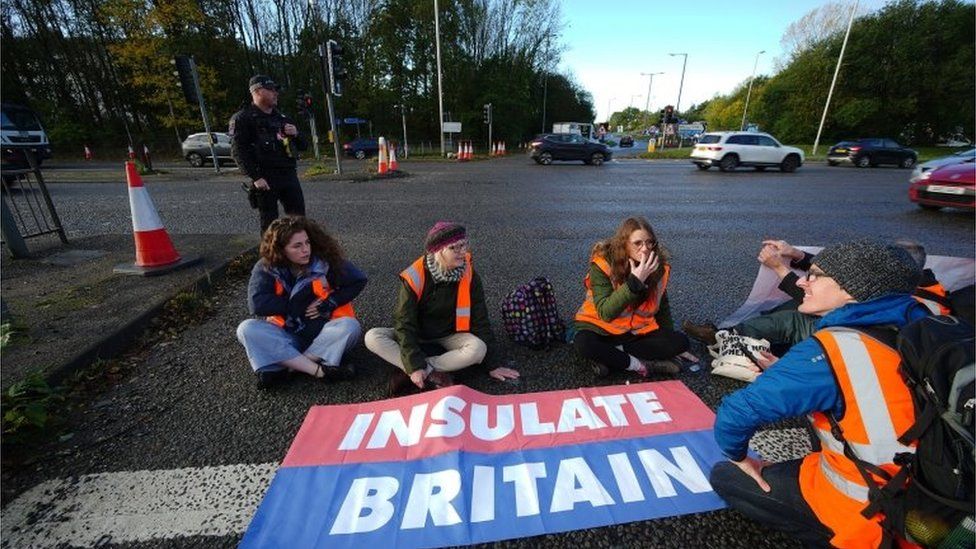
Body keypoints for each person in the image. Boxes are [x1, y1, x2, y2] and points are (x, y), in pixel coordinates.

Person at [709, 239, 928, 548]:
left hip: (873, 509)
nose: (802, 281)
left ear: (852, 290)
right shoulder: (932, 324)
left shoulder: (832, 350)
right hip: (937, 495)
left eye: (814, 274)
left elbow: (735, 415)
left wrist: (739, 457)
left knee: (725, 475)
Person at [364, 222, 519, 396]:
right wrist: (414, 364)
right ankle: (424, 369)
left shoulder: (470, 275)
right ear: (438, 251)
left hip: (450, 334)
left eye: (464, 244)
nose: (463, 252)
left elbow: (480, 320)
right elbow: (404, 322)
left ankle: (419, 369)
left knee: (478, 349)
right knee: (372, 337)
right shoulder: (414, 276)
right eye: (455, 247)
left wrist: (493, 364)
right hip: (418, 334)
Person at [236, 217, 366, 388]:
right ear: (281, 250)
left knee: (350, 327)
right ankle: (318, 371)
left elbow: (359, 280)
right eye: (297, 246)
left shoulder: (325, 262)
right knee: (246, 329)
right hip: (287, 335)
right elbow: (257, 304)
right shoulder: (266, 267)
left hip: (323, 335)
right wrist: (300, 302)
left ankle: (289, 367)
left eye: (307, 243)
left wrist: (330, 302)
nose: (306, 250)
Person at [573, 216, 694, 378]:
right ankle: (638, 365)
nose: (645, 249)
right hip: (600, 329)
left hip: (634, 333)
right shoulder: (603, 264)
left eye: (649, 242)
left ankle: (612, 359)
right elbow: (606, 313)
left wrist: (671, 346)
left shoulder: (657, 268)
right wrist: (634, 283)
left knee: (681, 342)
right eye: (637, 243)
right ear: (624, 244)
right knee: (585, 344)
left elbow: (663, 308)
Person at [229, 75, 308, 234]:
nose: (275, 93)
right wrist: (256, 177)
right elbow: (238, 151)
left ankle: (299, 252)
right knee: (269, 223)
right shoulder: (244, 118)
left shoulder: (282, 118)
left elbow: (304, 146)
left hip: (288, 174)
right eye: (271, 90)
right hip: (265, 177)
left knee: (298, 218)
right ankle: (271, 256)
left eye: (276, 90)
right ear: (257, 91)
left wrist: (296, 134)